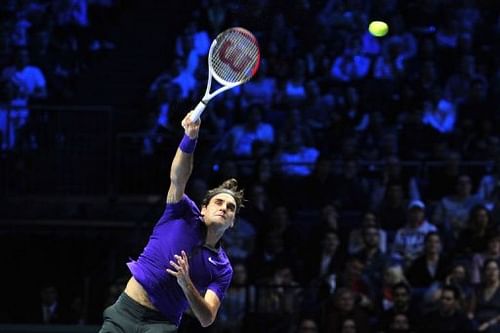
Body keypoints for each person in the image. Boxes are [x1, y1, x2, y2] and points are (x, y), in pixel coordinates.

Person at [99, 111, 245, 332]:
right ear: (204, 209)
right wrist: (190, 138)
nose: (224, 208)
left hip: (161, 324)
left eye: (230, 207)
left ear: (233, 222)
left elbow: (207, 317)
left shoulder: (223, 269)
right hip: (125, 311)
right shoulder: (182, 212)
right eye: (219, 202)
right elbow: (178, 177)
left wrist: (187, 284)